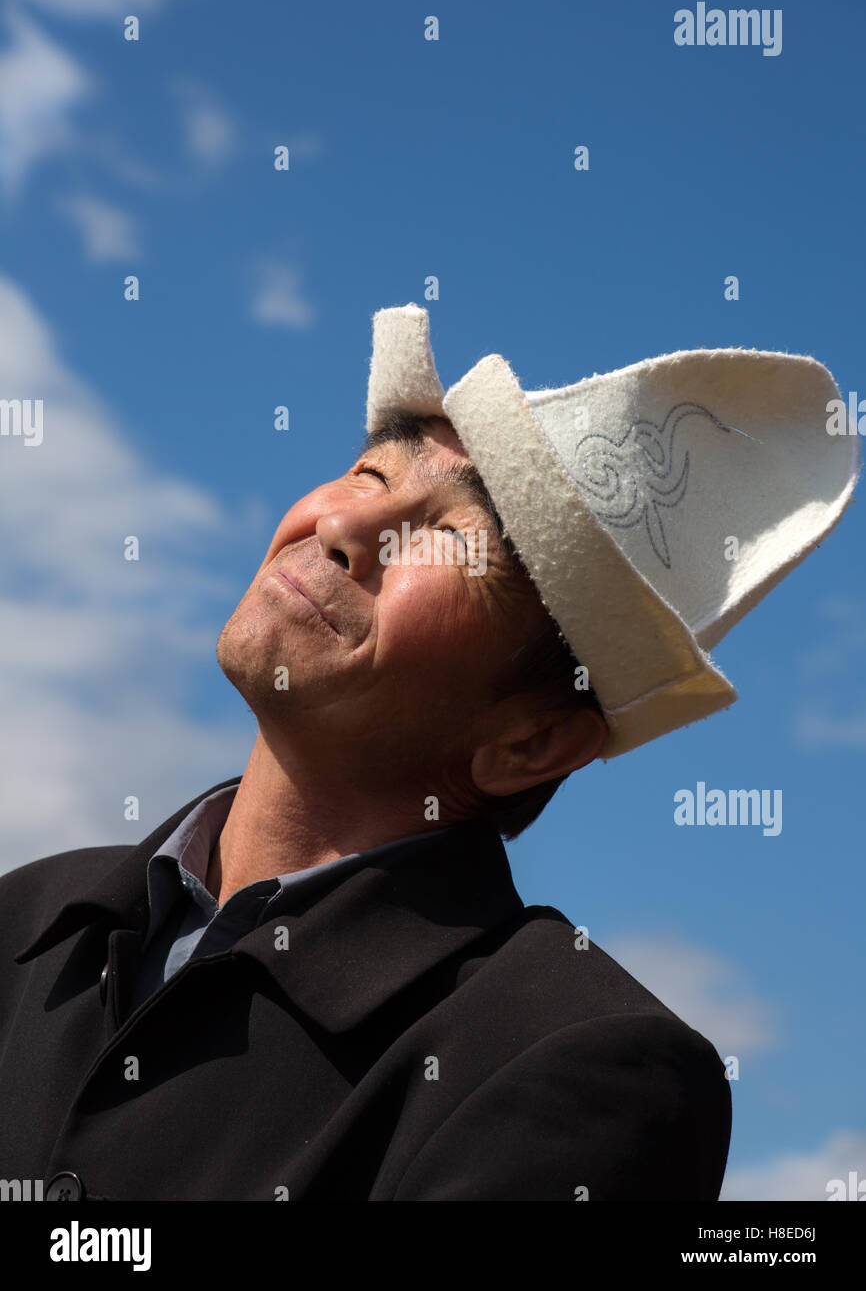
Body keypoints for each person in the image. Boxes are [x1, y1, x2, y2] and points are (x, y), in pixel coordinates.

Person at [0, 304, 857, 1201]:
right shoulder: (26, 918)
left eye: (449, 539)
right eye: (370, 471)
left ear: (532, 741)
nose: (343, 527)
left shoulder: (575, 1062)